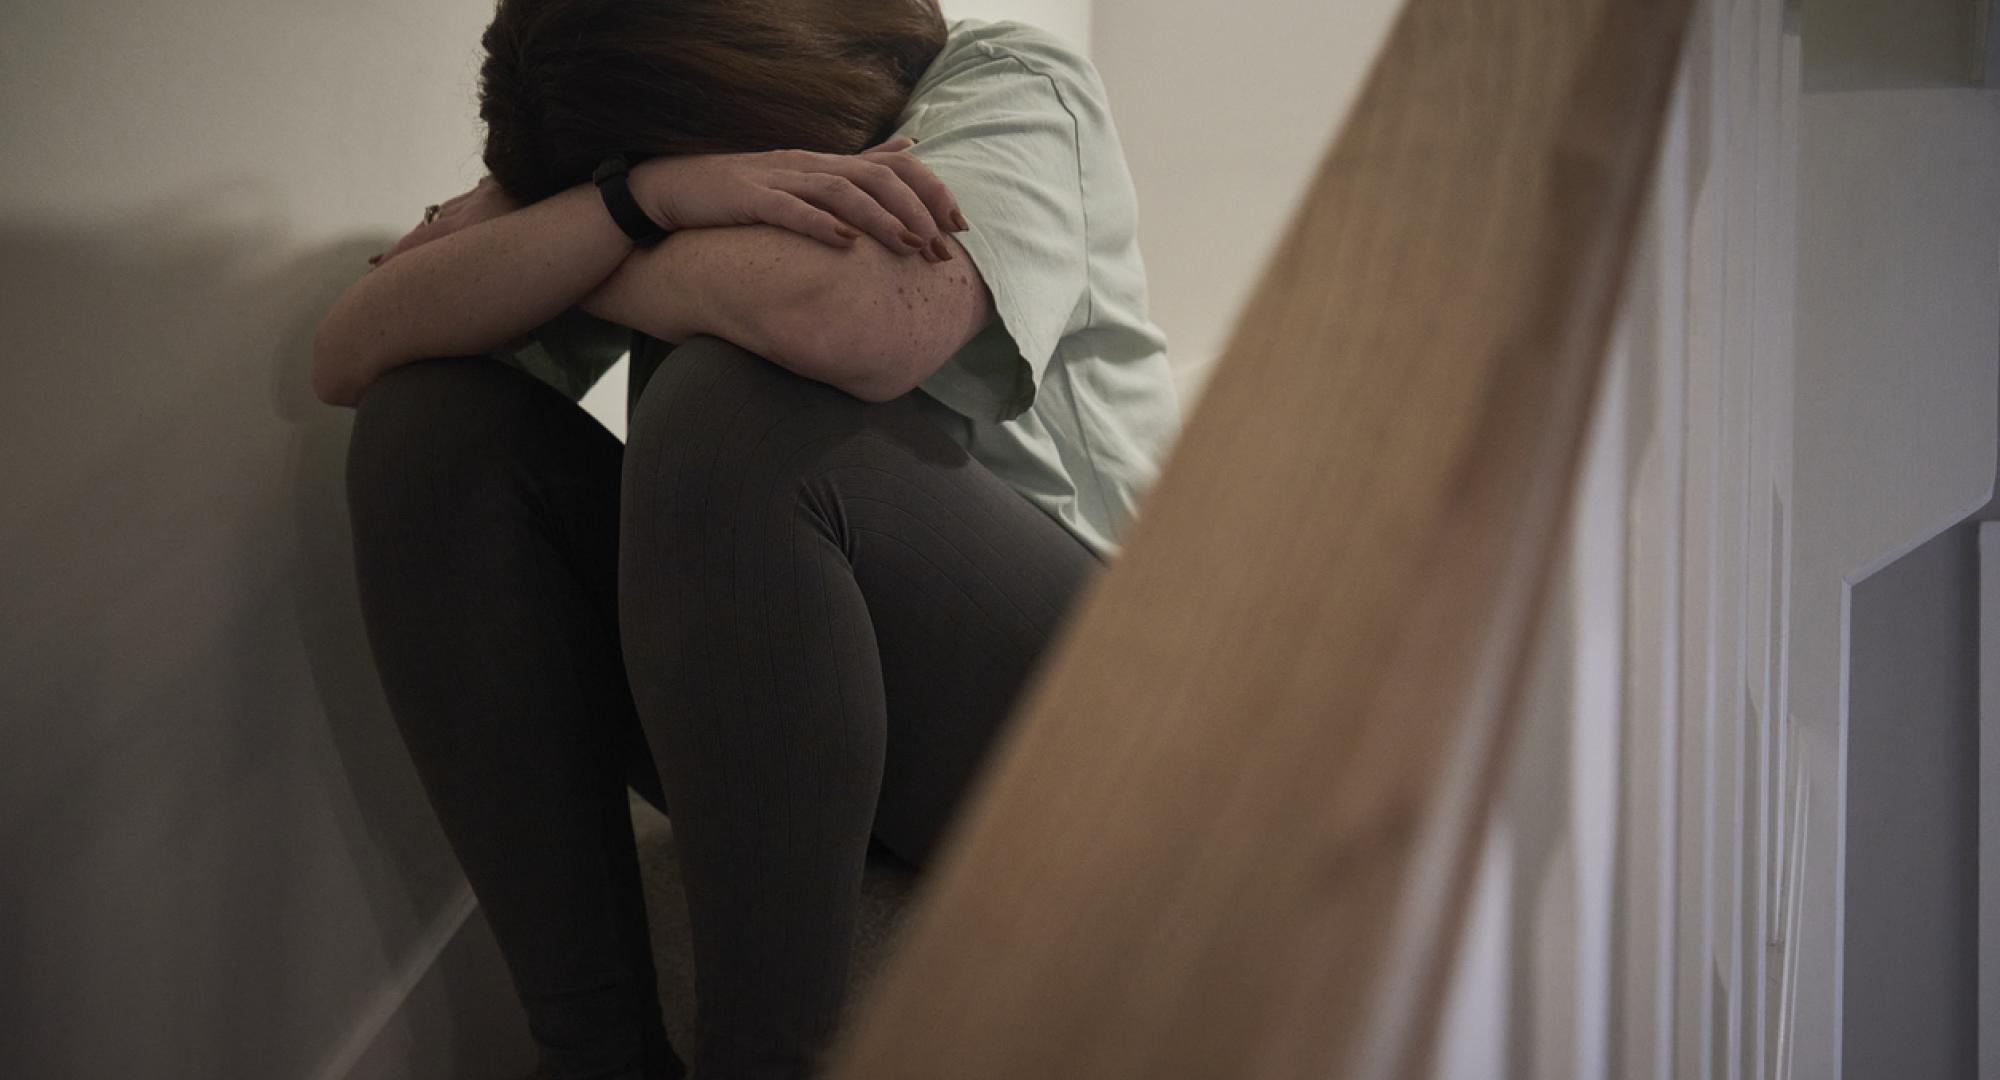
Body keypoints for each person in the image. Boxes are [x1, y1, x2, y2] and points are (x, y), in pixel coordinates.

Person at [313, 1, 1179, 1076]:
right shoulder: (668, 176)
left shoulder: (1007, 77)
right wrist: (640, 200)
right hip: (806, 707)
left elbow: (865, 321)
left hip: (1101, 717)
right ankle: (592, 1051)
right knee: (430, 428)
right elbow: (351, 352)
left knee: (735, 405)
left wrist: (583, 240)